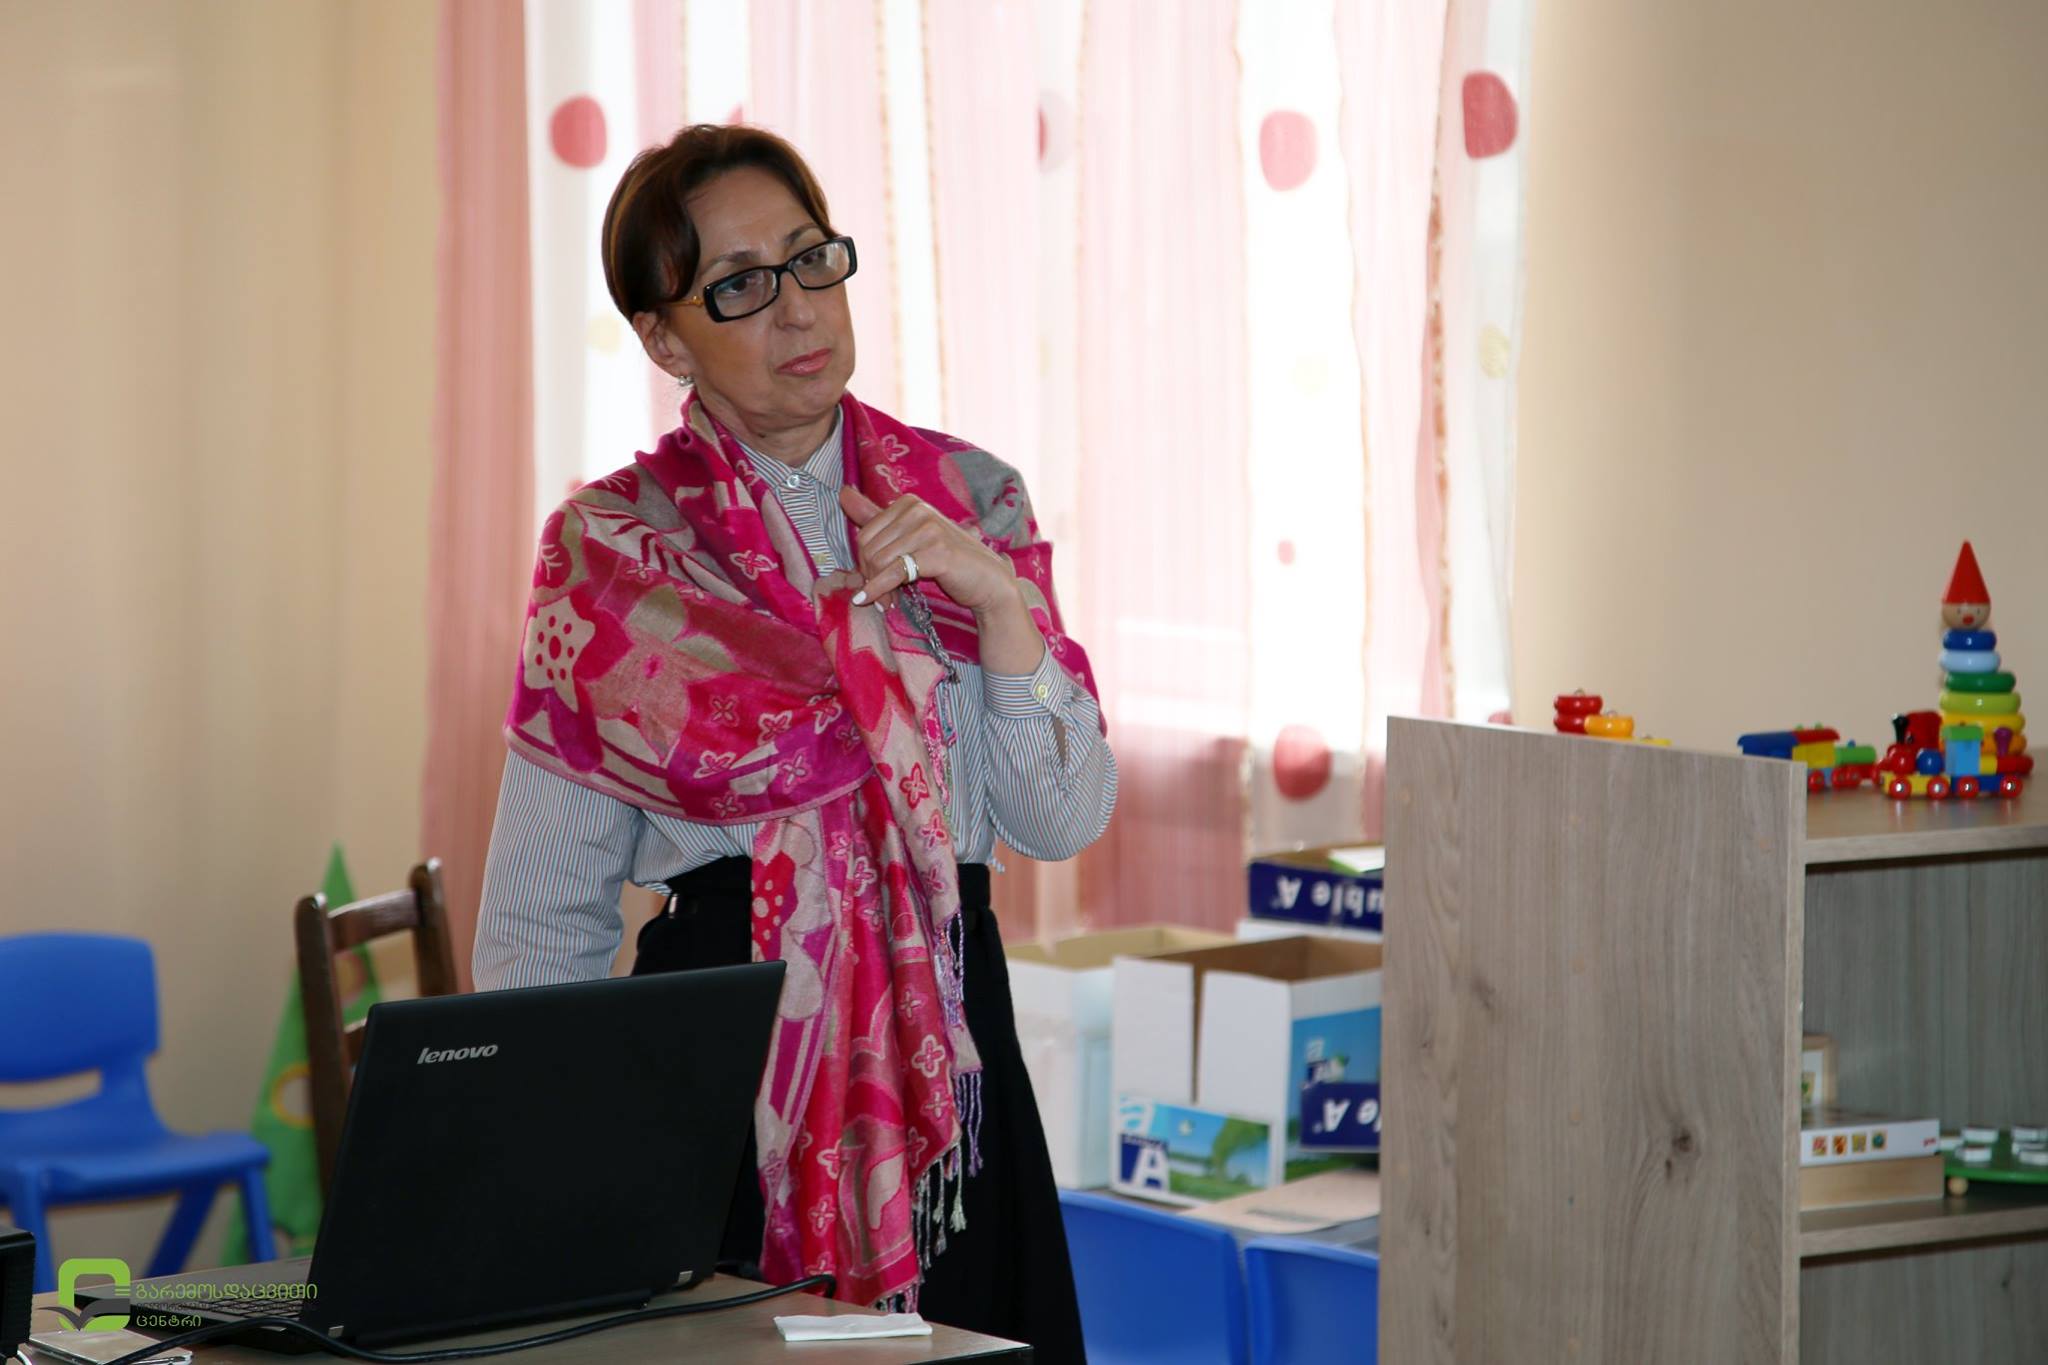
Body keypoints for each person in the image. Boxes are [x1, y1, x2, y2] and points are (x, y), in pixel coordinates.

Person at [473, 123, 1114, 1362]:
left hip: (950, 1057)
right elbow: (540, 917)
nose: (797, 307)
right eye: (738, 285)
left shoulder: (970, 499)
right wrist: (552, 1166)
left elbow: (1059, 819)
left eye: (811, 258)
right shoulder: (612, 551)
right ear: (665, 339)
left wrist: (996, 604)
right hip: (718, 1060)